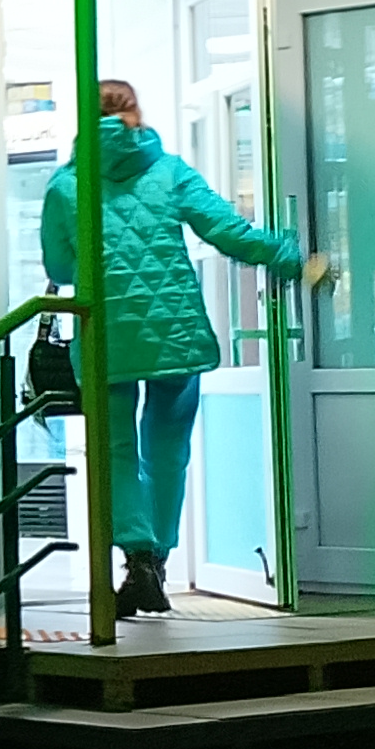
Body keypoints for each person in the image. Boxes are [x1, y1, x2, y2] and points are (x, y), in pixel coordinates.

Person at [39, 79, 330, 625]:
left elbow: (58, 267)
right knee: (167, 452)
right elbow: (228, 231)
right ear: (135, 111)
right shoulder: (169, 171)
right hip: (174, 333)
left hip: (105, 334)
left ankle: (136, 558)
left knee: (116, 452)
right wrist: (294, 259)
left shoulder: (65, 185)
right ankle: (157, 562)